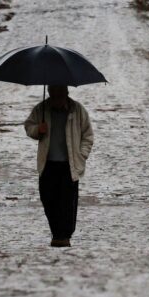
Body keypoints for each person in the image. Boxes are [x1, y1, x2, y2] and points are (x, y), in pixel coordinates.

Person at [24, 84, 94, 247]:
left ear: (66, 93)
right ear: (49, 93)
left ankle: (64, 235)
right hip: (47, 164)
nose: (56, 99)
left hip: (69, 165)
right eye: (53, 95)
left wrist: (81, 155)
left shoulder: (77, 110)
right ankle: (57, 232)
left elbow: (88, 136)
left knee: (67, 202)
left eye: (59, 95)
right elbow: (29, 126)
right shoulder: (41, 109)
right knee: (48, 198)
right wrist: (38, 130)